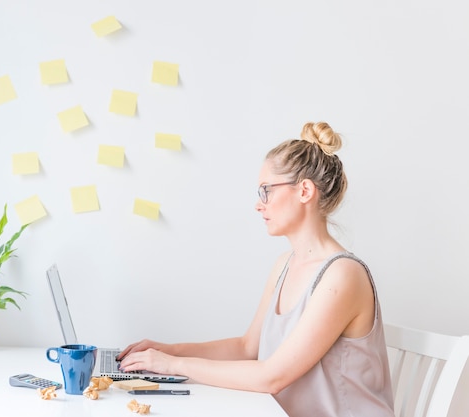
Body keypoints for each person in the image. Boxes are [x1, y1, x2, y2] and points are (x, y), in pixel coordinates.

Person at [118, 121, 395, 417]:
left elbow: (271, 377)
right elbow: (246, 347)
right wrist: (169, 351)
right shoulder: (284, 265)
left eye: (266, 191)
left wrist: (172, 366)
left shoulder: (342, 275)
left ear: (304, 191)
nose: (258, 205)